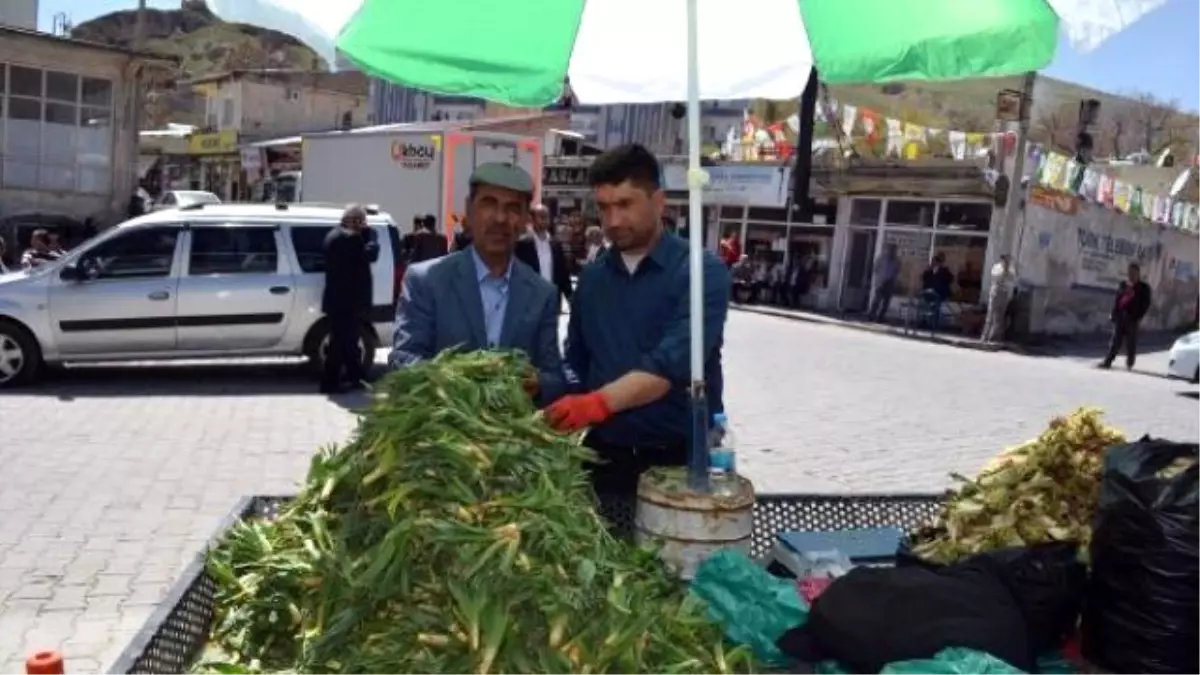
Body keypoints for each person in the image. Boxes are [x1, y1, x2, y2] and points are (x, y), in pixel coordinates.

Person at [545, 144, 731, 504]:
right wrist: (547, 386)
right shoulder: (593, 279)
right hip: (602, 460)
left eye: (625, 204)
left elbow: (667, 369)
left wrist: (595, 404)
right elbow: (578, 362)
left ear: (659, 201)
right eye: (603, 207)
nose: (612, 221)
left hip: (678, 463)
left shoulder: (700, 272)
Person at [389, 163, 566, 405]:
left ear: (526, 219)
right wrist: (462, 381)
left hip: (510, 437)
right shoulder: (427, 280)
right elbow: (403, 359)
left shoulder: (542, 293)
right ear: (469, 211)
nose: (500, 218)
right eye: (489, 203)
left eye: (513, 208)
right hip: (441, 434)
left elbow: (554, 377)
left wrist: (538, 384)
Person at [319, 205, 379, 394]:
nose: (363, 225)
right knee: (341, 344)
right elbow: (370, 254)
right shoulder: (347, 239)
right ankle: (332, 382)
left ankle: (356, 378)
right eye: (361, 221)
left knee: (347, 343)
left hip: (341, 301)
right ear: (354, 221)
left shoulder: (334, 235)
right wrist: (372, 238)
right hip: (346, 301)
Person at [515, 203, 573, 308]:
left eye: (547, 216)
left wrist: (571, 299)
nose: (545, 220)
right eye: (541, 216)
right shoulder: (522, 245)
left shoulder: (556, 245)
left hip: (551, 300)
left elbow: (563, 274)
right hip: (529, 301)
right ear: (532, 219)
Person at [1100, 262, 1152, 371]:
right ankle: (1108, 361)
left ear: (1138, 273)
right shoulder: (1123, 285)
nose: (1131, 275)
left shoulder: (1144, 288)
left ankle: (1130, 363)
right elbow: (1118, 300)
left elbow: (1146, 304)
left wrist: (1138, 316)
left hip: (1133, 318)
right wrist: (1114, 313)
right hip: (1121, 317)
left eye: (1134, 272)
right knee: (1115, 340)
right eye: (1129, 272)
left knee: (1131, 342)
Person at [981, 255, 1016, 344]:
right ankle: (985, 336)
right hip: (995, 293)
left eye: (1008, 260)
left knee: (1000, 317)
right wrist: (1005, 271)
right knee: (991, 315)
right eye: (1005, 260)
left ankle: (994, 337)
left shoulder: (1011, 269)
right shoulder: (997, 267)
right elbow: (997, 278)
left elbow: (1012, 280)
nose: (1007, 261)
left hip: (1005, 294)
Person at [920, 252, 955, 329]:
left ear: (938, 262)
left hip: (939, 293)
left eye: (934, 261)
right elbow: (923, 278)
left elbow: (951, 279)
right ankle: (924, 322)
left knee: (935, 307)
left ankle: (933, 324)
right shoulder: (929, 271)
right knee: (925, 305)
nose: (933, 263)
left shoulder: (944, 271)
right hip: (928, 292)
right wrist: (927, 270)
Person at [867, 244, 900, 321]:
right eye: (891, 250)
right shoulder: (881, 258)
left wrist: (894, 278)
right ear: (887, 250)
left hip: (890, 282)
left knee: (886, 302)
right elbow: (875, 268)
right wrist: (878, 278)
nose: (892, 252)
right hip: (881, 281)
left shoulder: (897, 260)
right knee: (877, 300)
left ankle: (881, 317)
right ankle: (871, 315)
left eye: (894, 250)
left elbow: (897, 271)